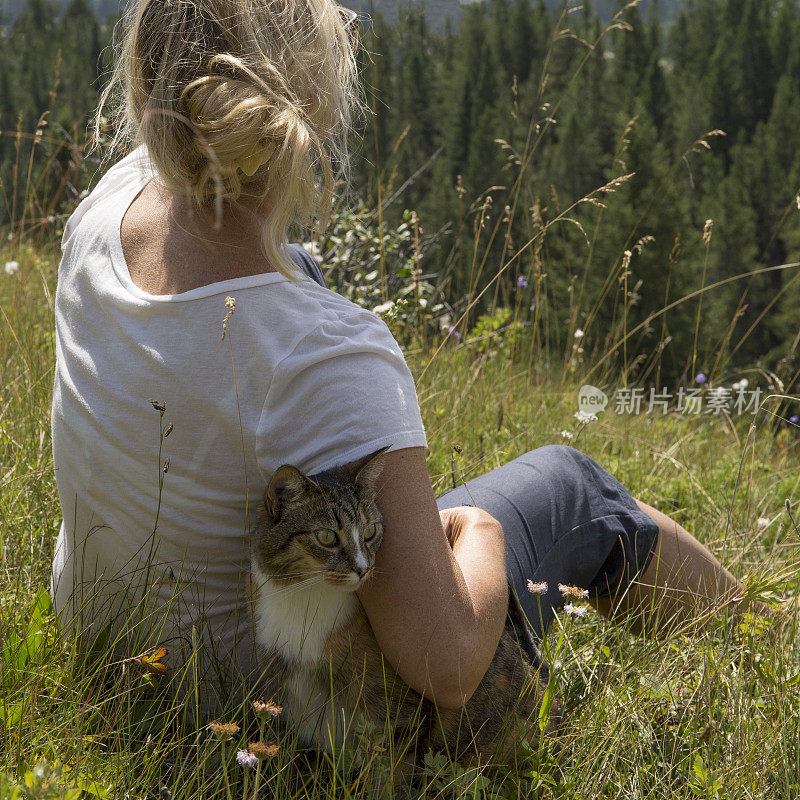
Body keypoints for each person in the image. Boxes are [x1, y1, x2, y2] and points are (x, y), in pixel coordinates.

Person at [50, 0, 773, 718]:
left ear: (149, 81)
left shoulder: (102, 212)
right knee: (574, 487)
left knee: (304, 265)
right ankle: (760, 653)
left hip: (118, 651)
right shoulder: (325, 351)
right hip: (282, 695)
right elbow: (448, 665)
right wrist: (479, 529)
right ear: (306, 108)